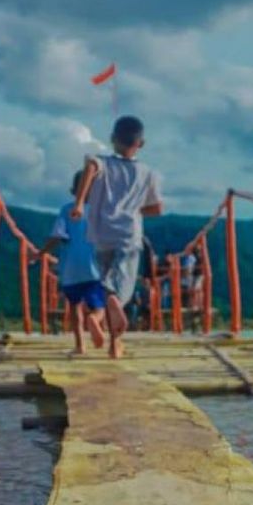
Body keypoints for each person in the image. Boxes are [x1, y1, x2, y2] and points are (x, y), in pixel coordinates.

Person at [71, 115, 164, 358]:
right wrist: (133, 209)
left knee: (107, 284)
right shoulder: (148, 172)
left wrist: (80, 203)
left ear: (113, 139)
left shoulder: (100, 162)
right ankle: (115, 340)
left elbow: (90, 167)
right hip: (128, 236)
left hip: (101, 235)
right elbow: (157, 209)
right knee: (121, 291)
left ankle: (108, 333)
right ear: (140, 144)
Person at [38, 171, 107, 355]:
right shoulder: (99, 211)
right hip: (94, 269)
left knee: (74, 307)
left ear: (72, 190)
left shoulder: (66, 210)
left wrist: (41, 253)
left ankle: (80, 346)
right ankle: (94, 319)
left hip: (70, 270)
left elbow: (57, 237)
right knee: (100, 306)